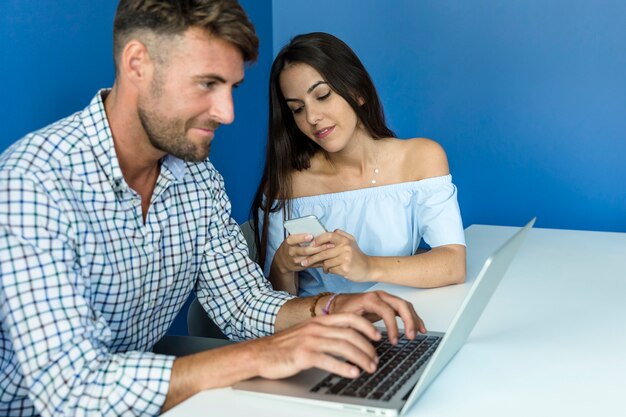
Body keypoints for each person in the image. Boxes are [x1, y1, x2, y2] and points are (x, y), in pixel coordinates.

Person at [0, 2, 427, 416]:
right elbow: (74, 393)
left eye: (231, 88)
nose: (227, 113)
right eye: (207, 84)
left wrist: (331, 309)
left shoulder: (198, 180)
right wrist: (260, 356)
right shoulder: (31, 184)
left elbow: (242, 303)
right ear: (137, 64)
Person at [252, 32, 467, 297]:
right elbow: (272, 305)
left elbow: (453, 265)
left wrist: (367, 266)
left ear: (357, 91)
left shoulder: (421, 158)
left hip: (401, 318)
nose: (312, 117)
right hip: (322, 328)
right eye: (297, 109)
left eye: (322, 95)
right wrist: (283, 267)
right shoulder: (288, 185)